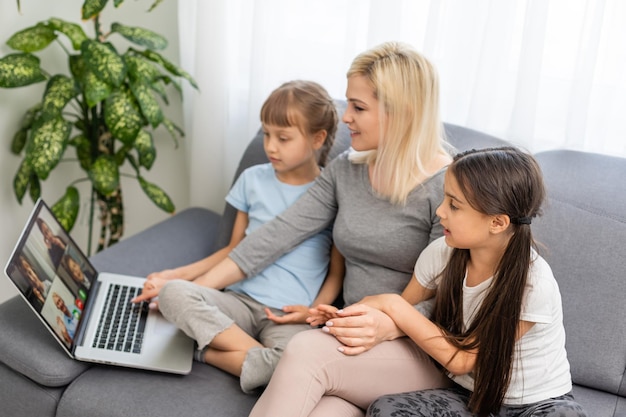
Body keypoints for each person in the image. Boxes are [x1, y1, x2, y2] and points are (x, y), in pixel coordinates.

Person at [142, 41, 452, 415]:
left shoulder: (450, 188)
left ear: (401, 113)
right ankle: (263, 360)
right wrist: (190, 291)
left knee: (302, 352)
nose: (346, 117)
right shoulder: (346, 169)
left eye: (358, 107)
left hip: (409, 342)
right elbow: (274, 236)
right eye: (347, 103)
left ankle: (229, 355)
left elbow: (447, 296)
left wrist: (387, 326)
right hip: (345, 337)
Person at [253, 147, 588, 417]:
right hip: (469, 395)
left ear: (498, 223)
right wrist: (350, 317)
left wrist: (391, 303)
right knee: (381, 409)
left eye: (454, 206)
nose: (440, 212)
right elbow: (403, 318)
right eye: (445, 199)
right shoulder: (442, 253)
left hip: (536, 403)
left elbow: (461, 359)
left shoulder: (533, 283)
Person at [132, 80, 345, 393]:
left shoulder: (332, 193)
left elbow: (336, 273)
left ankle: (204, 351)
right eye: (267, 134)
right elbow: (234, 249)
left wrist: (314, 311)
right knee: (173, 294)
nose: (270, 146)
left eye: (283, 138)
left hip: (289, 316)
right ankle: (260, 359)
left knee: (301, 363)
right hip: (238, 302)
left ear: (318, 138)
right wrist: (175, 276)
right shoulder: (252, 180)